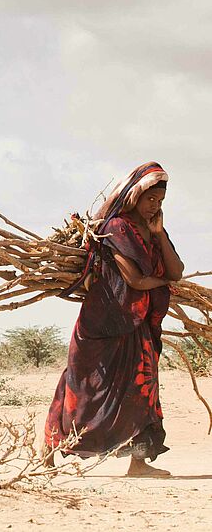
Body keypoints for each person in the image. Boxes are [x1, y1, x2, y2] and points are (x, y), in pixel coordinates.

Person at [44, 162, 184, 477]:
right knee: (82, 389)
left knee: (140, 390)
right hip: (103, 323)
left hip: (137, 325)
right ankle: (48, 449)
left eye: (160, 201)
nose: (155, 206)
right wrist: (162, 283)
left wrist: (159, 236)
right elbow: (135, 280)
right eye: (150, 200)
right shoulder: (116, 227)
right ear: (133, 195)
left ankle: (138, 462)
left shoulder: (152, 229)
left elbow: (177, 270)